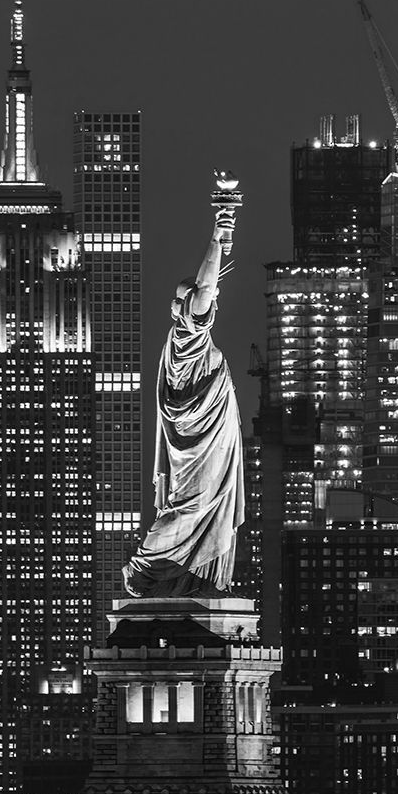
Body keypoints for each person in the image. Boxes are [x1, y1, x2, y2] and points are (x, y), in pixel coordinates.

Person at [122, 180, 244, 598]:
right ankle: (151, 567)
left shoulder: (184, 343)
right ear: (184, 307)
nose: (204, 301)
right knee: (188, 506)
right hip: (194, 442)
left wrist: (224, 239)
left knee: (203, 504)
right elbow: (208, 286)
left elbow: (212, 286)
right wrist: (218, 233)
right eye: (193, 299)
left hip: (211, 435)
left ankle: (196, 579)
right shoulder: (187, 337)